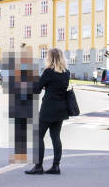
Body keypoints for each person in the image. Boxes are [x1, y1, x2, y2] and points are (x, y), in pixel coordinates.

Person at [27, 47, 72, 175]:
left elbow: (37, 89)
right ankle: (56, 166)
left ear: (50, 58)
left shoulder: (48, 72)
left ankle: (38, 166)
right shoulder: (66, 73)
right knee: (55, 137)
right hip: (61, 109)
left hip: (48, 109)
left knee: (38, 136)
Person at [4, 51, 34, 163]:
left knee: (19, 133)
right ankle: (21, 155)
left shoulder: (14, 77)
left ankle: (20, 156)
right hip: (26, 108)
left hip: (19, 108)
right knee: (22, 132)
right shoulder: (30, 77)